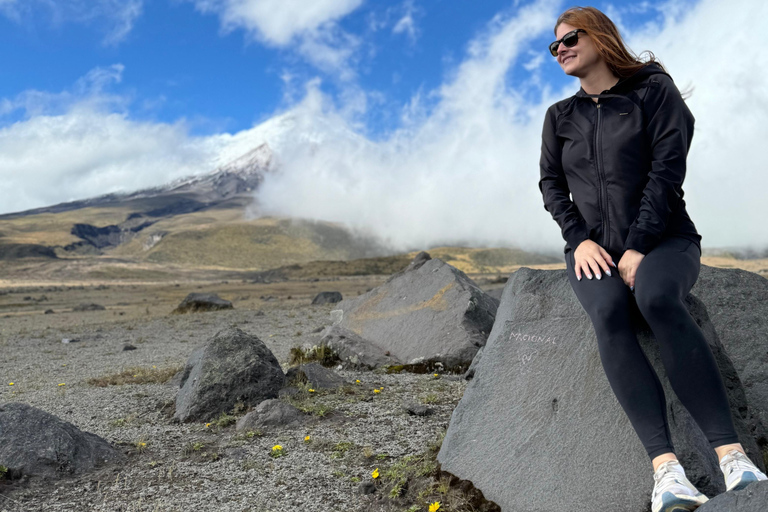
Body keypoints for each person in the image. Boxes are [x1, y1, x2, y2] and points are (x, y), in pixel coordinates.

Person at [538, 6, 767, 512]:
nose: (561, 50)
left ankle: (734, 458)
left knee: (657, 297)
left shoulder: (652, 91)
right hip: (593, 248)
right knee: (608, 312)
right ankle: (667, 472)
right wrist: (579, 239)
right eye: (554, 46)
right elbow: (551, 185)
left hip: (667, 240)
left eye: (570, 38)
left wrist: (639, 243)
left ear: (600, 37)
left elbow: (668, 172)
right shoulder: (560, 117)